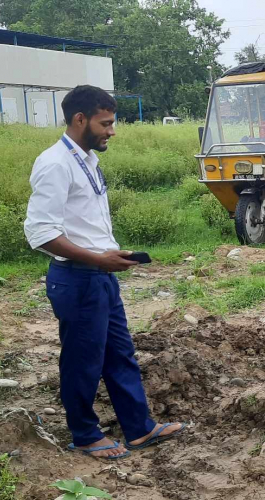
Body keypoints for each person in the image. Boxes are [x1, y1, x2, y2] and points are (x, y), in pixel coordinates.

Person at [24, 85, 184, 459]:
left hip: (99, 276)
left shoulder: (87, 160)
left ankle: (139, 428)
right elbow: (40, 232)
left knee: (120, 354)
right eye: (106, 123)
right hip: (78, 280)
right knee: (83, 359)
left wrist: (109, 255)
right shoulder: (54, 164)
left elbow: (82, 223)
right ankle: (84, 435)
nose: (112, 131)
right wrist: (98, 260)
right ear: (81, 119)